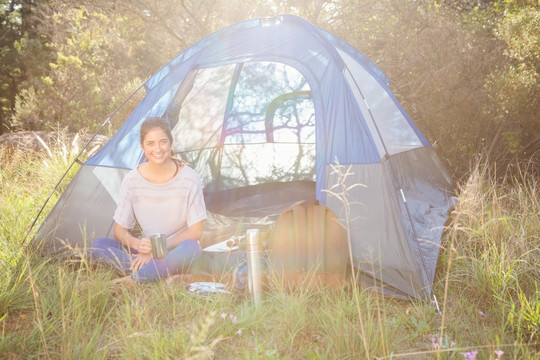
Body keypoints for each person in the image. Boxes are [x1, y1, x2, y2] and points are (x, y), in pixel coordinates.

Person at [89, 116, 207, 284]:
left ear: (171, 143)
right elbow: (119, 230)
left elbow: (196, 232)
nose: (157, 149)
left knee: (192, 248)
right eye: (150, 143)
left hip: (176, 251)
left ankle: (128, 281)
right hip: (147, 253)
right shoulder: (132, 180)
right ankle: (160, 272)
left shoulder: (190, 178)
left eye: (163, 142)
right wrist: (139, 246)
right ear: (142, 147)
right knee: (98, 246)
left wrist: (160, 249)